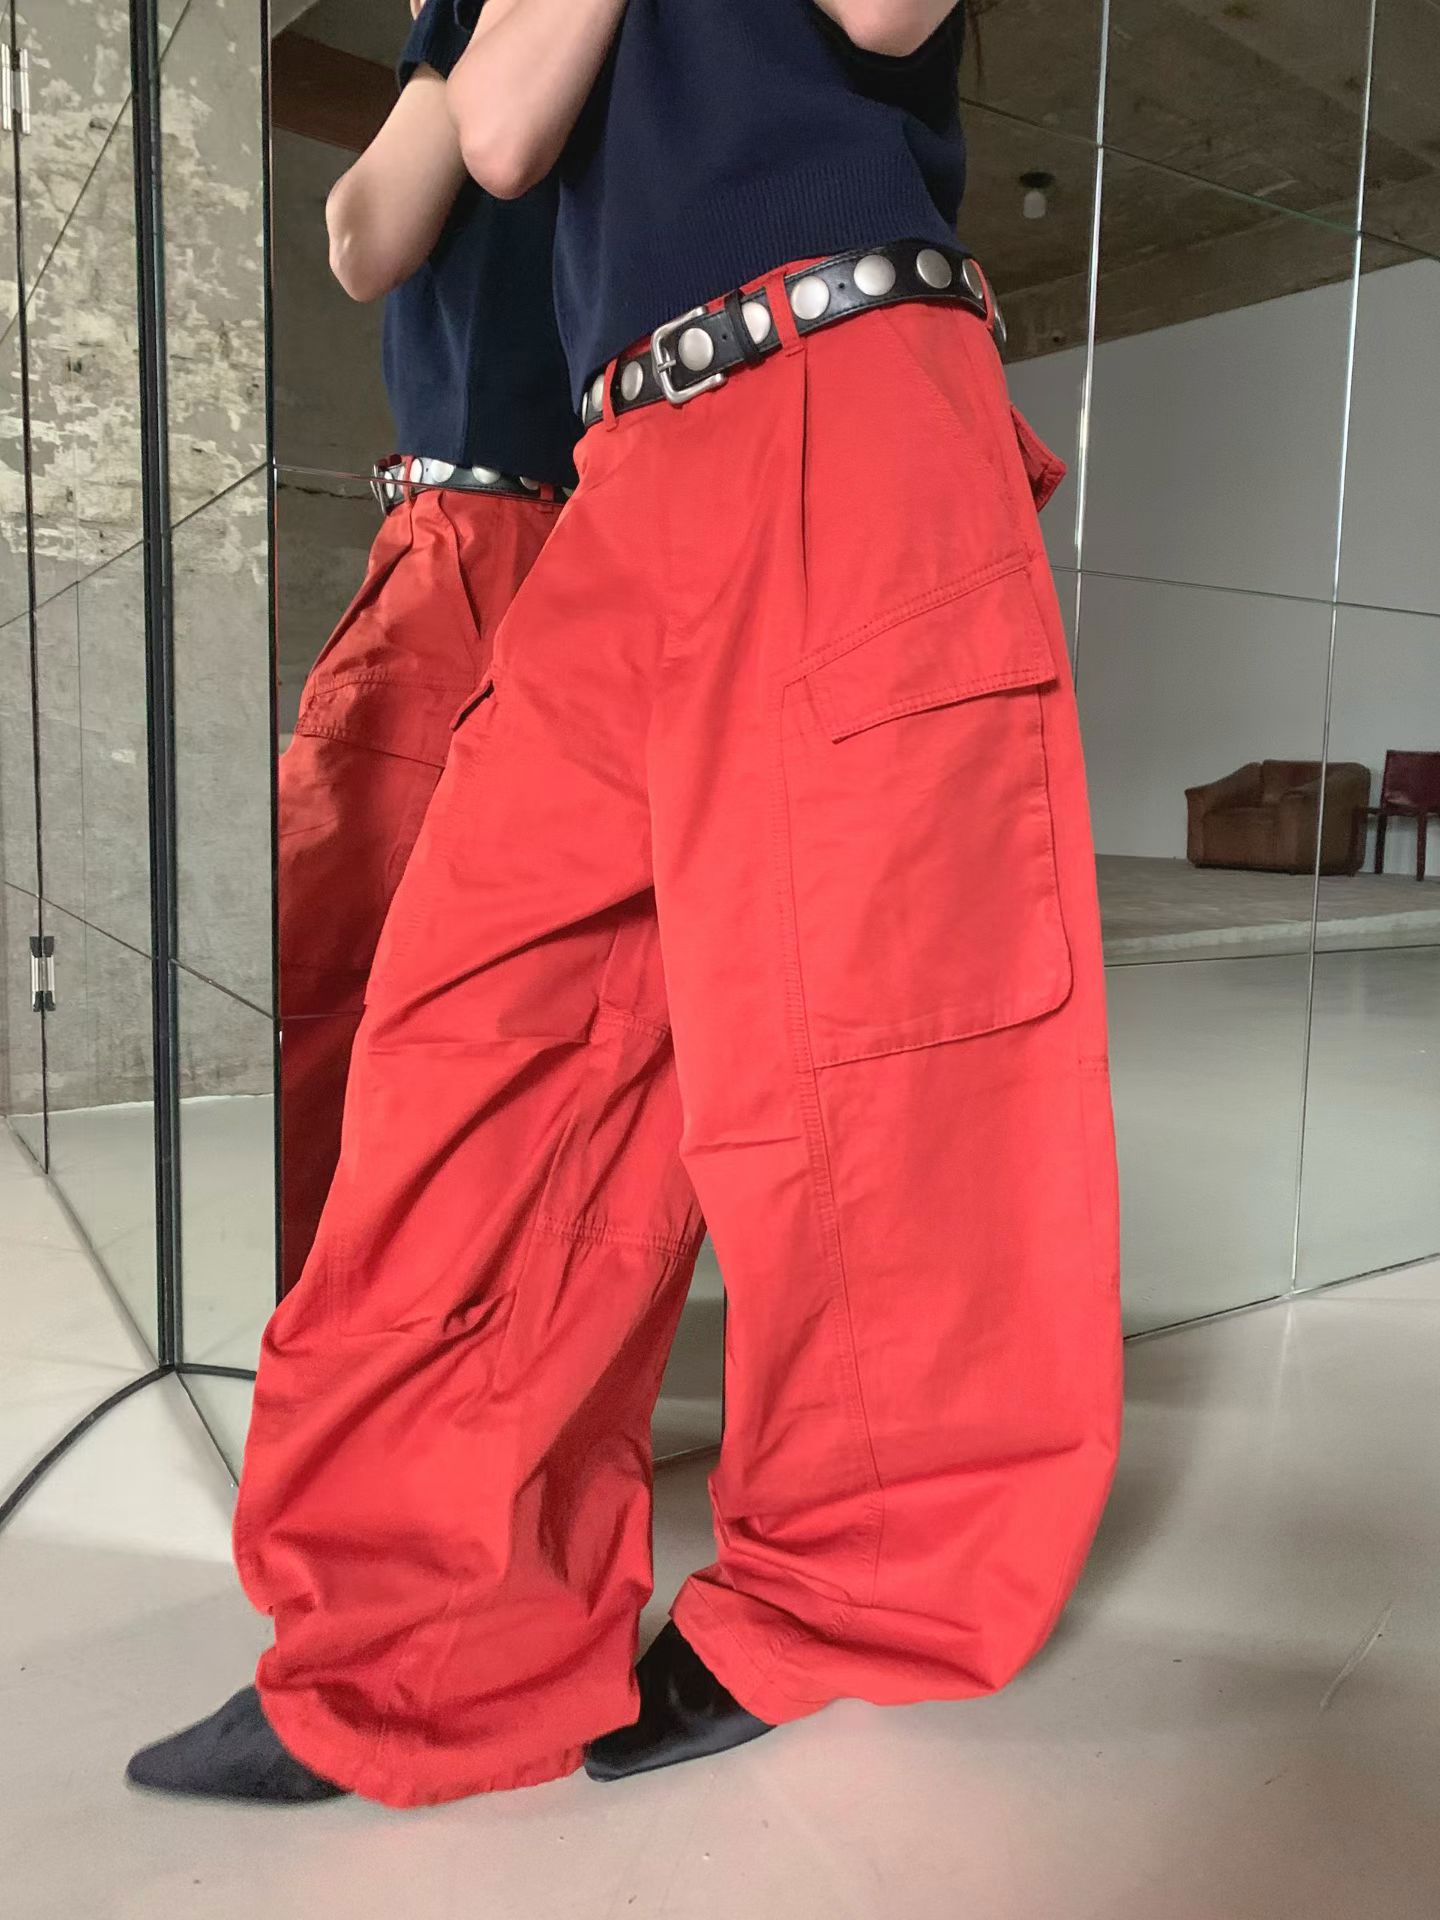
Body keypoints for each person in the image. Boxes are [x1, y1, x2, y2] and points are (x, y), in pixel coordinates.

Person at [129, 0, 1122, 1809]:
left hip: (844, 376)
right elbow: (492, 138)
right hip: (627, 466)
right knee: (475, 1035)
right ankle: (418, 1641)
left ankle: (857, 1597)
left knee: (877, 1057)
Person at [274, 0, 578, 1296]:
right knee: (530, 970)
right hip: (605, 527)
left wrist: (449, 42)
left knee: (339, 925)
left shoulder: (481, 23)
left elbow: (363, 238)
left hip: (478, 541)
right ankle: (459, 1284)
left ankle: (341, 1295)